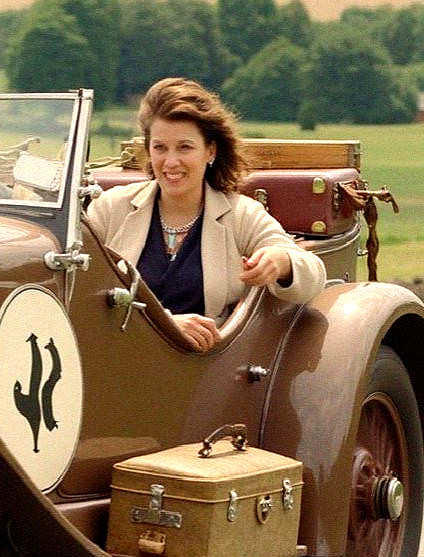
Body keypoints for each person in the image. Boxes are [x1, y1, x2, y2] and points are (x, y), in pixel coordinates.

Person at [85, 78, 325, 352]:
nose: (171, 161)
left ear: (210, 151)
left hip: (203, 373)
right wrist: (166, 322)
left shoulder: (240, 214)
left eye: (185, 147)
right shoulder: (110, 207)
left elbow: (314, 275)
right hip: (116, 360)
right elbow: (79, 293)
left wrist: (281, 261)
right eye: (160, 147)